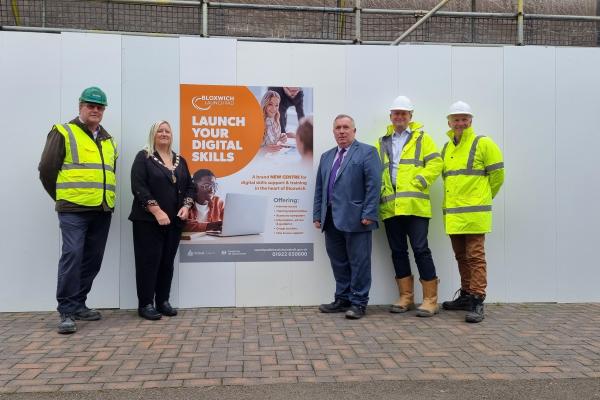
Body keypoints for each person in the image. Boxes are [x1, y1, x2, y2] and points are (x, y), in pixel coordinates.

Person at [38, 86, 117, 334]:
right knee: (72, 255)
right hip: (73, 210)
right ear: (80, 107)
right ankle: (67, 311)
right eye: (90, 106)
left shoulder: (108, 139)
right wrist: (63, 197)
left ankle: (80, 303)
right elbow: (47, 170)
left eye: (99, 107)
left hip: (102, 208)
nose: (95, 110)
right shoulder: (63, 132)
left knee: (93, 259)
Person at [375, 96, 443, 317]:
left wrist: (421, 181)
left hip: (414, 205)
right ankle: (406, 297)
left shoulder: (422, 139)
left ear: (410, 116)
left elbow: (436, 163)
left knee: (421, 250)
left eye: (404, 113)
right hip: (391, 206)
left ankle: (430, 300)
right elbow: (377, 170)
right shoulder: (382, 141)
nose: (399, 117)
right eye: (396, 113)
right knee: (398, 251)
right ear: (391, 117)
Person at [440, 101, 504, 323]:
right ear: (449, 122)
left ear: (471, 121)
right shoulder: (447, 148)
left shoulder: (483, 143)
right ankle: (466, 294)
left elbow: (497, 177)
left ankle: (477, 299)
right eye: (456, 119)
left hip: (475, 214)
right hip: (454, 215)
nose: (460, 123)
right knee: (461, 257)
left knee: (475, 257)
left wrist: (484, 198)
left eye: (464, 119)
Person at [313, 114, 381, 320]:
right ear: (333, 131)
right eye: (337, 128)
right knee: (338, 261)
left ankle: (359, 303)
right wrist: (318, 214)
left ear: (354, 131)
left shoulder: (368, 152)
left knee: (359, 262)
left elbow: (374, 185)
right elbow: (319, 189)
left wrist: (369, 212)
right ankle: (342, 299)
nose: (341, 131)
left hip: (357, 218)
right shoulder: (326, 156)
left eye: (345, 127)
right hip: (331, 219)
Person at [129, 121, 195, 320]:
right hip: (148, 222)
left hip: (174, 222)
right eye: (160, 130)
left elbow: (190, 187)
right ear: (153, 134)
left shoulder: (179, 160)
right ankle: (146, 304)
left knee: (167, 263)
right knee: (148, 263)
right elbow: (138, 186)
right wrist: (156, 211)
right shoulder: (144, 157)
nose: (164, 134)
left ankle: (163, 301)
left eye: (167, 131)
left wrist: (186, 206)